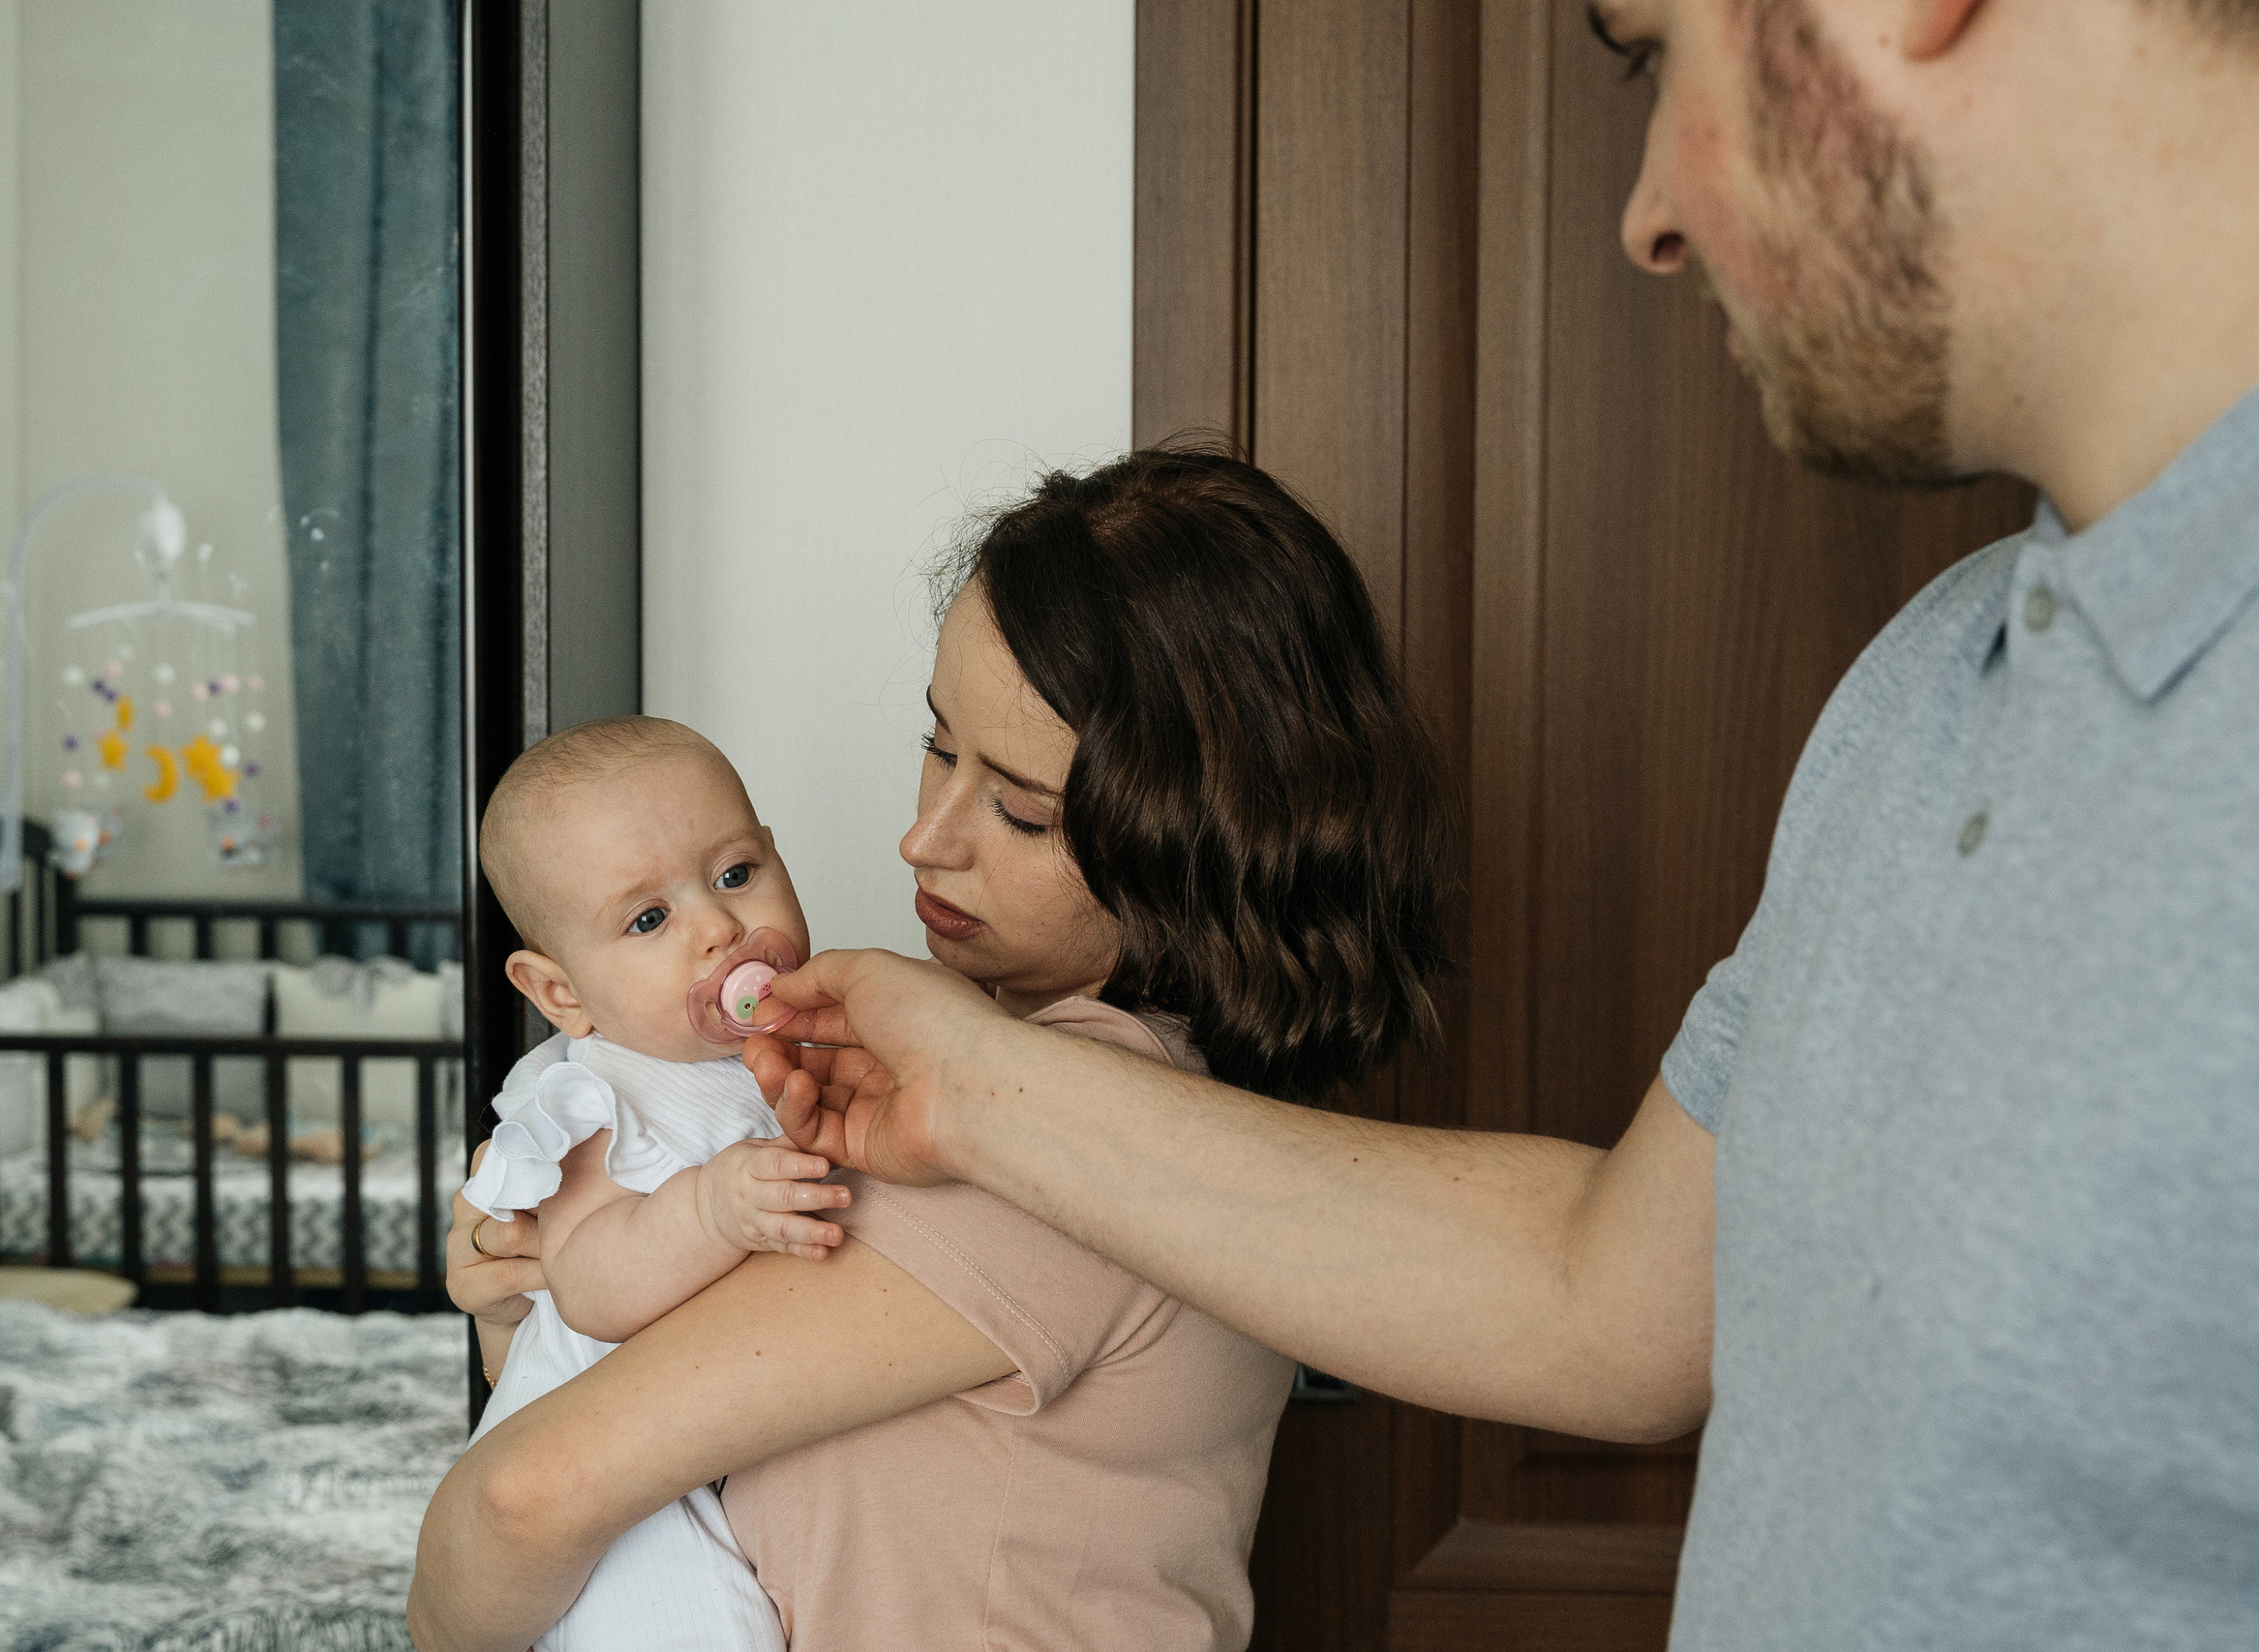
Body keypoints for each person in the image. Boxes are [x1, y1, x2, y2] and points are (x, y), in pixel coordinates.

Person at [746, 3, 2259, 1647]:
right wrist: (969, 1085)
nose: (1648, 218)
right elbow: (1608, 1302)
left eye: (1649, 51)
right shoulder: (1933, 682)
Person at [408, 450, 1459, 1652]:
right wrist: (541, 1310)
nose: (922, 839)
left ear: (1194, 840)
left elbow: (523, 1499)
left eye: (1018, 807)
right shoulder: (985, 1078)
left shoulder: (1076, 1136)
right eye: (936, 742)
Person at [448, 715, 842, 1652]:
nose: (719, 928)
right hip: (612, 1493)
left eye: (736, 874)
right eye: (649, 919)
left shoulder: (816, 1035)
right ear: (561, 995)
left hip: (722, 1441)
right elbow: (587, 1282)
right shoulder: (596, 1094)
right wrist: (711, 1208)